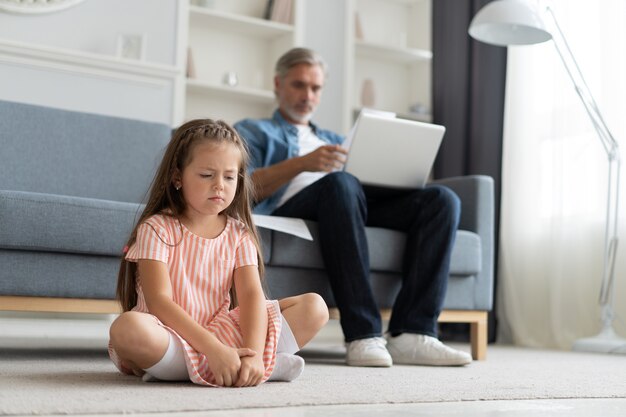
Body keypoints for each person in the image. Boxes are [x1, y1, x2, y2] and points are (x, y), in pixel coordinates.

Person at [234, 47, 472, 368]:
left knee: (441, 200)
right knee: (340, 184)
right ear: (278, 84)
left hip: (347, 202)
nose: (308, 95)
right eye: (298, 85)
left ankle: (412, 332)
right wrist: (304, 164)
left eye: (315, 88)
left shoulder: (336, 138)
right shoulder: (255, 131)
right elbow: (239, 188)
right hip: (295, 207)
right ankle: (363, 334)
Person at [108, 119, 329, 387]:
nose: (219, 186)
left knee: (315, 307)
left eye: (229, 176)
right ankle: (253, 367)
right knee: (126, 329)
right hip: (173, 334)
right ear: (178, 177)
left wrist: (255, 353)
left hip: (223, 332)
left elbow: (250, 298)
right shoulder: (156, 228)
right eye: (206, 175)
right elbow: (159, 303)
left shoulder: (239, 234)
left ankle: (245, 365)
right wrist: (213, 349)